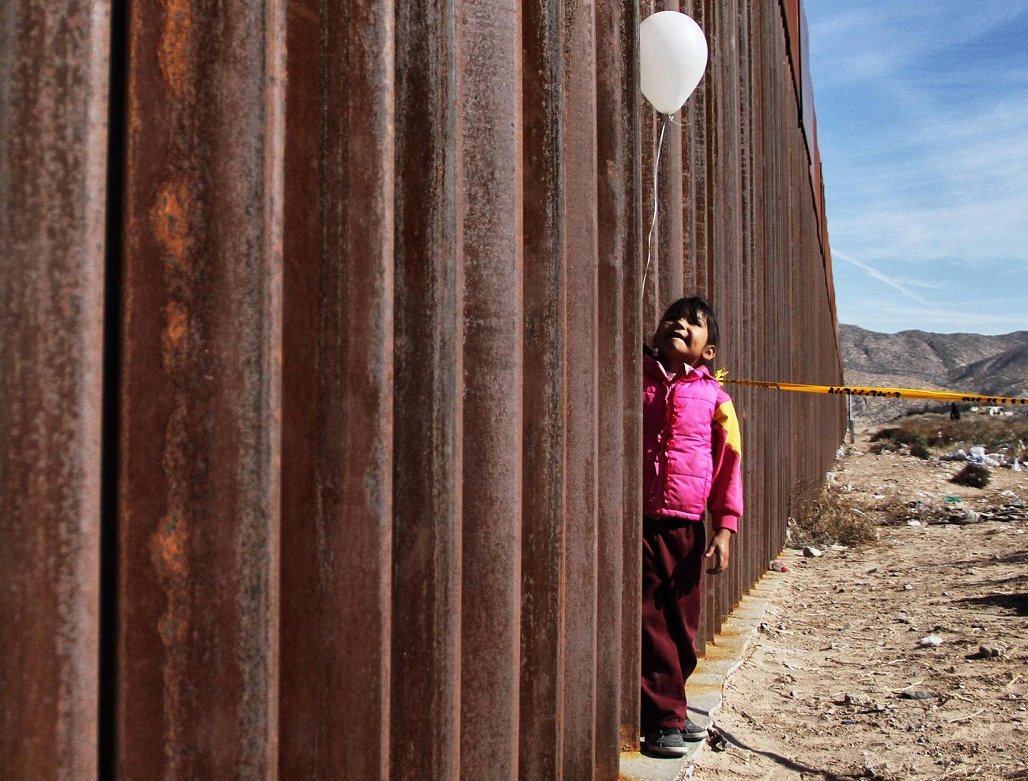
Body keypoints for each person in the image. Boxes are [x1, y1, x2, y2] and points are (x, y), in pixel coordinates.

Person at [641, 296, 744, 757]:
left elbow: (729, 465)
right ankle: (663, 719)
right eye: (673, 318)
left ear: (709, 352)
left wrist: (725, 526)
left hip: (686, 525)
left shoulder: (716, 399)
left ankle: (672, 706)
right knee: (651, 619)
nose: (679, 324)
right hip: (641, 521)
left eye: (693, 324)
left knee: (683, 626)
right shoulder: (636, 380)